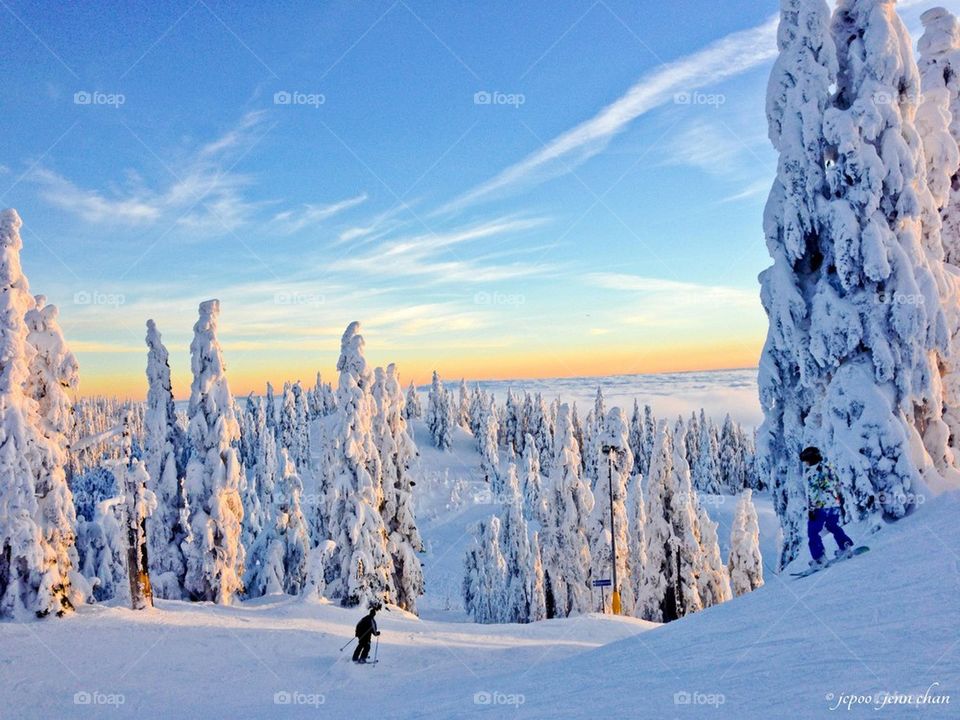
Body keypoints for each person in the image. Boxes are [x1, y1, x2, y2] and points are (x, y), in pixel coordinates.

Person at [801, 446, 854, 566]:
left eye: (806, 460)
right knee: (833, 526)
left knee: (813, 532)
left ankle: (820, 558)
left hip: (820, 507)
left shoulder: (813, 472)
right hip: (834, 504)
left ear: (811, 459)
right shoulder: (828, 467)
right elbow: (837, 483)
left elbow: (813, 492)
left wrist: (812, 509)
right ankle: (845, 546)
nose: (806, 464)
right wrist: (838, 499)